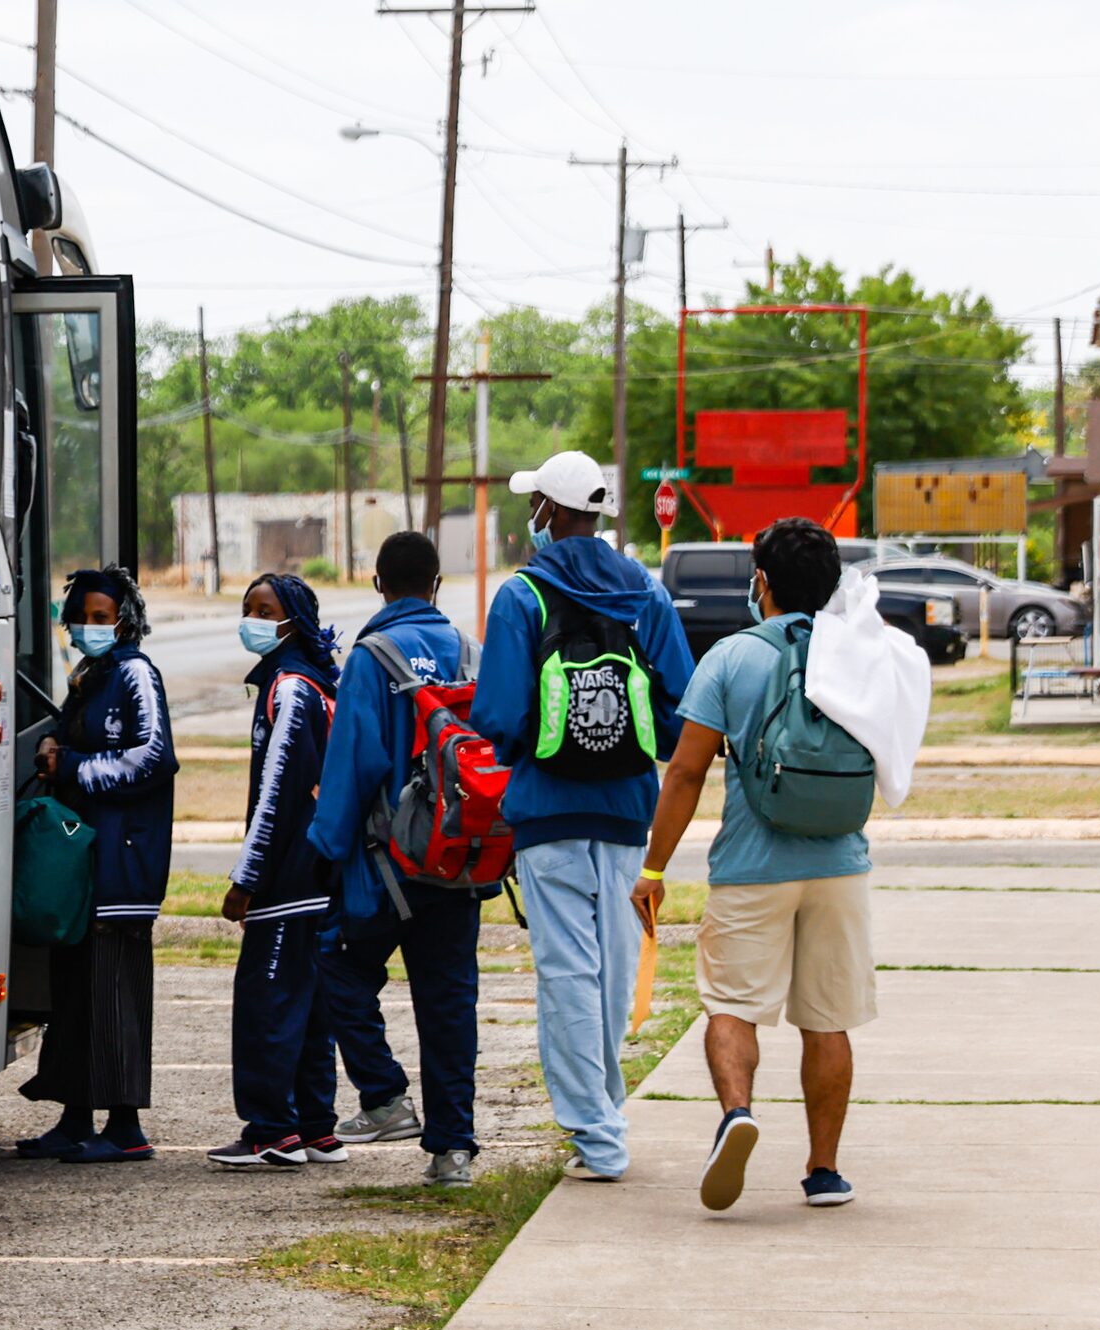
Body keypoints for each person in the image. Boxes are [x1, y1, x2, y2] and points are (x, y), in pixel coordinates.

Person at [635, 518, 902, 1210]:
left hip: (752, 866)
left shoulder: (730, 657)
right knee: (827, 1018)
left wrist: (654, 868)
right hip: (840, 861)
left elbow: (686, 774)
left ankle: (737, 1114)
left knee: (731, 1006)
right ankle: (823, 1171)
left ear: (761, 582)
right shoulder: (859, 656)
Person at [472, 449, 693, 1181]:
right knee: (613, 967)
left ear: (551, 512)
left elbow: (498, 716)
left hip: (546, 812)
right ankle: (604, 1116)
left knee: (566, 971)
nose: (527, 514)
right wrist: (637, 742)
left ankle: (597, 1134)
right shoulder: (645, 593)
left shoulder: (520, 598)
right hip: (629, 810)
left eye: (532, 502)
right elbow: (680, 710)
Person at [307, 530, 484, 1187]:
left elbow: (354, 761)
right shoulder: (472, 652)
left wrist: (323, 848)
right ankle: (452, 1151)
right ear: (436, 585)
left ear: (377, 582)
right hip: (460, 860)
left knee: (332, 963)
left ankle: (383, 1096)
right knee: (448, 1000)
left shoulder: (370, 657)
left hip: (386, 868)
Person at [19, 567, 178, 1163]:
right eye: (81, 617)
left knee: (114, 993)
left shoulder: (136, 674)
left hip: (123, 863)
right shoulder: (89, 677)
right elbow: (66, 738)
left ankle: (125, 1127)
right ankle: (75, 1115)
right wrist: (51, 747)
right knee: (75, 992)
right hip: (84, 866)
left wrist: (76, 767)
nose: (89, 626)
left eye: (101, 617)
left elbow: (153, 758)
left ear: (125, 620)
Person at [209, 572, 341, 1169]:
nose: (253, 619)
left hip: (289, 879)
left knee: (266, 1002)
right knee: (309, 1007)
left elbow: (277, 789)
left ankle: (271, 1130)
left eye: (265, 609)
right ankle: (316, 1125)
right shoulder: (314, 684)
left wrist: (247, 878)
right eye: (247, 608)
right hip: (319, 878)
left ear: (295, 620)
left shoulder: (289, 690)